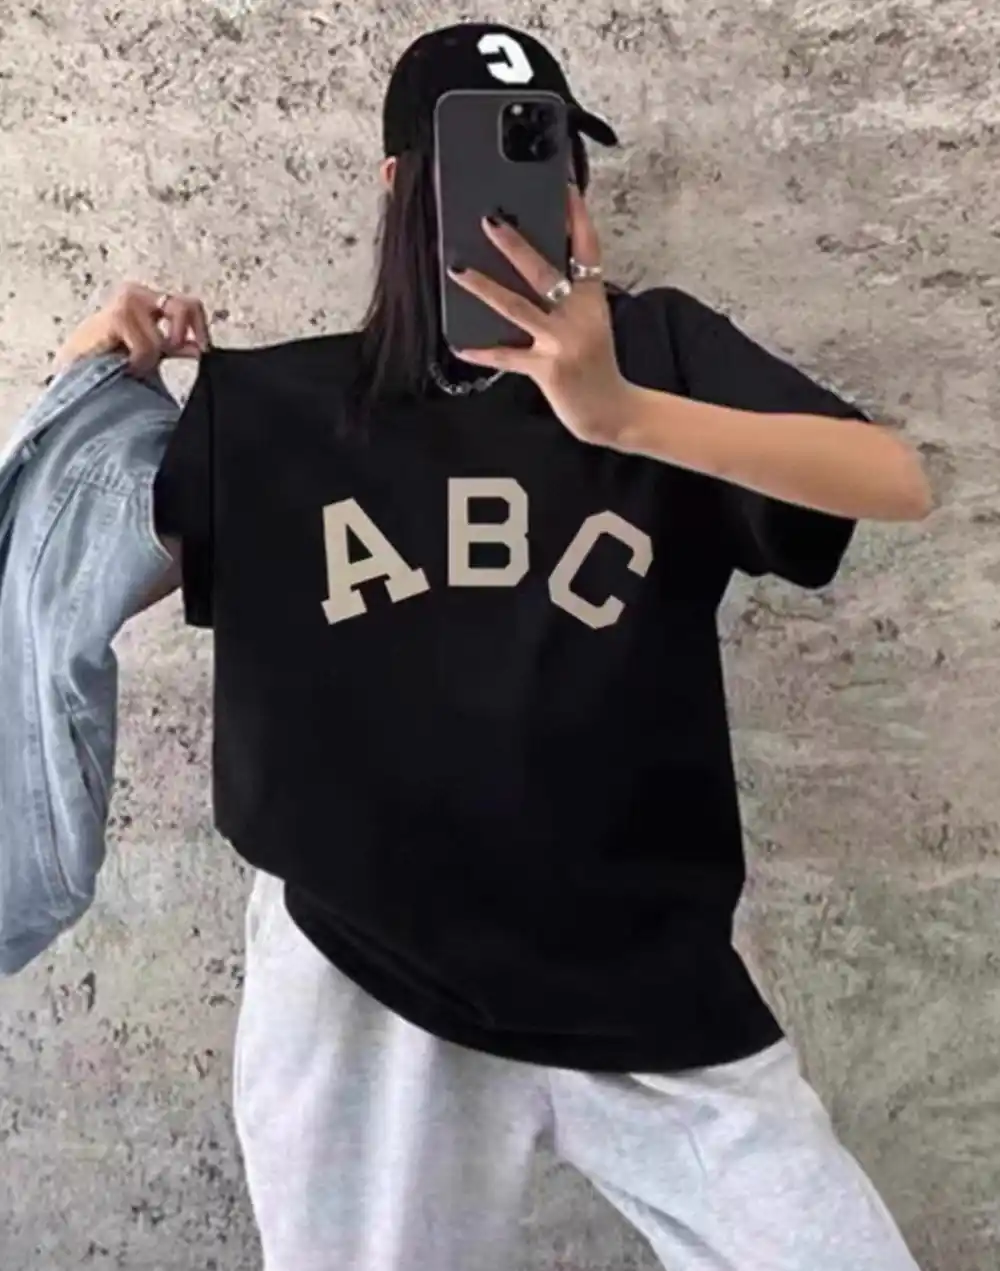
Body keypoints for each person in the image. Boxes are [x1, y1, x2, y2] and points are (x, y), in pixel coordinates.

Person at [51, 21, 932, 1271]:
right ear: (401, 184)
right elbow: (66, 585)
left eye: (555, 156)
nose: (542, 190)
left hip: (643, 977)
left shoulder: (661, 354)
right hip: (369, 978)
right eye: (498, 156)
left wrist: (622, 413)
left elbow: (892, 478)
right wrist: (85, 386)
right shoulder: (281, 408)